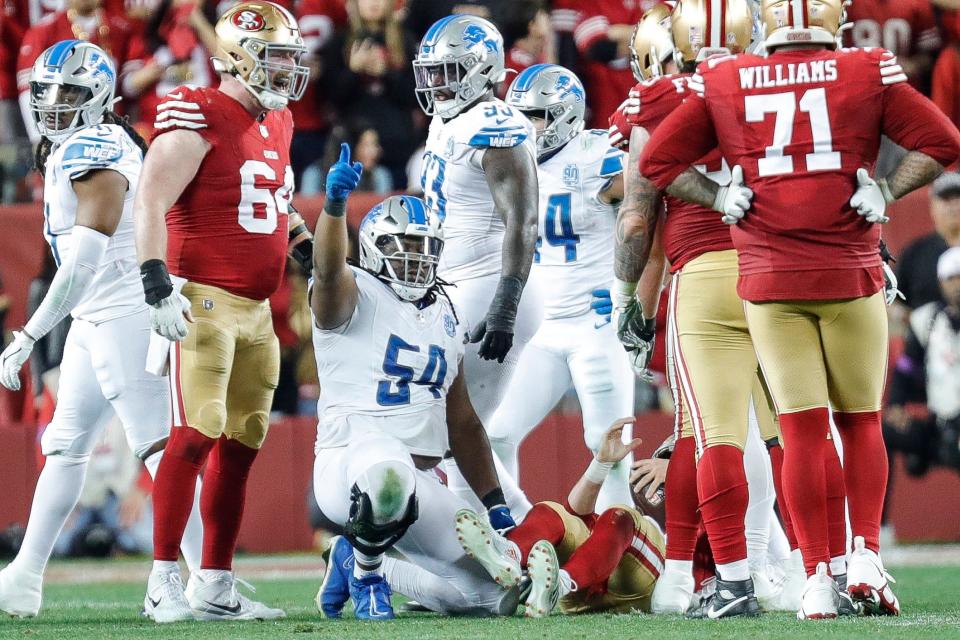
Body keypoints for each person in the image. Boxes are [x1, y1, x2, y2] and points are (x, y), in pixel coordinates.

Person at [640, 0, 960, 620]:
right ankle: (864, 553)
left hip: (769, 279)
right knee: (861, 421)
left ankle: (817, 574)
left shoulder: (726, 78)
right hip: (848, 268)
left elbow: (656, 164)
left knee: (804, 429)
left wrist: (717, 194)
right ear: (835, 22)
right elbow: (944, 142)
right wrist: (886, 189)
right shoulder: (867, 67)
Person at [0, 40, 202, 618]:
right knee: (65, 447)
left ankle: (205, 581)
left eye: (69, 91)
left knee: (160, 449)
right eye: (46, 91)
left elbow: (84, 262)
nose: (54, 102)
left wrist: (29, 335)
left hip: (127, 311)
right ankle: (25, 577)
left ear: (101, 98)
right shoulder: (70, 144)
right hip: (97, 316)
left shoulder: (97, 146)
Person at [133, 1, 311, 623]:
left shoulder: (278, 120)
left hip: (259, 311)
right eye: (278, 55)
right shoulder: (199, 109)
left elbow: (271, 198)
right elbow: (151, 200)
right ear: (238, 54)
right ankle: (161, 581)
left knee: (242, 443)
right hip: (201, 299)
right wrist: (156, 284)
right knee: (194, 434)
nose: (289, 69)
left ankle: (215, 583)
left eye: (292, 56)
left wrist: (303, 243)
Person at [309, 151, 523, 621]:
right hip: (351, 468)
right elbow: (326, 269)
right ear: (372, 247)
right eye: (403, 243)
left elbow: (463, 423)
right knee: (389, 472)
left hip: (420, 484)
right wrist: (334, 207)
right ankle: (366, 577)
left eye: (425, 246)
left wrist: (496, 506)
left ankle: (356, 561)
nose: (416, 256)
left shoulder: (446, 312)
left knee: (487, 600)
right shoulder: (353, 292)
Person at [486, 64, 643, 510]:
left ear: (566, 116)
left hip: (596, 324)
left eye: (535, 117)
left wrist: (628, 288)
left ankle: (623, 568)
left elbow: (651, 204)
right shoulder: (508, 162)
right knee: (496, 431)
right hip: (541, 329)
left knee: (609, 452)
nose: (525, 127)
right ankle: (513, 535)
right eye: (519, 116)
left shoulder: (599, 156)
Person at [413, 14, 541, 515]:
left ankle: (533, 545)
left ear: (481, 69)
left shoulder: (497, 124)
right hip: (456, 286)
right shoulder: (448, 120)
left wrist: (505, 304)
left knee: (452, 438)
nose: (436, 83)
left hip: (490, 286)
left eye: (448, 71)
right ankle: (524, 549)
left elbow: (522, 221)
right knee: (455, 441)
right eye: (432, 71)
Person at [458, 418, 665, 617]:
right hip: (582, 587)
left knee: (620, 516)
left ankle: (559, 583)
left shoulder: (691, 491)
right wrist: (601, 463)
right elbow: (576, 516)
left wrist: (678, 469)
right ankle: (510, 557)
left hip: (646, 585)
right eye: (668, 458)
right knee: (550, 511)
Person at [886, 246, 960, 475]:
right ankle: (874, 511)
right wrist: (896, 405)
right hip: (940, 425)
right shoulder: (928, 320)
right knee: (882, 432)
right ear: (941, 283)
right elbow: (906, 367)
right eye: (951, 278)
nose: (957, 284)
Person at [896, 172, 960, 310]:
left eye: (958, 198)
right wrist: (919, 323)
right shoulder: (915, 254)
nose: (954, 205)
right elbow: (895, 302)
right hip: (929, 330)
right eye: (946, 199)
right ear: (933, 207)